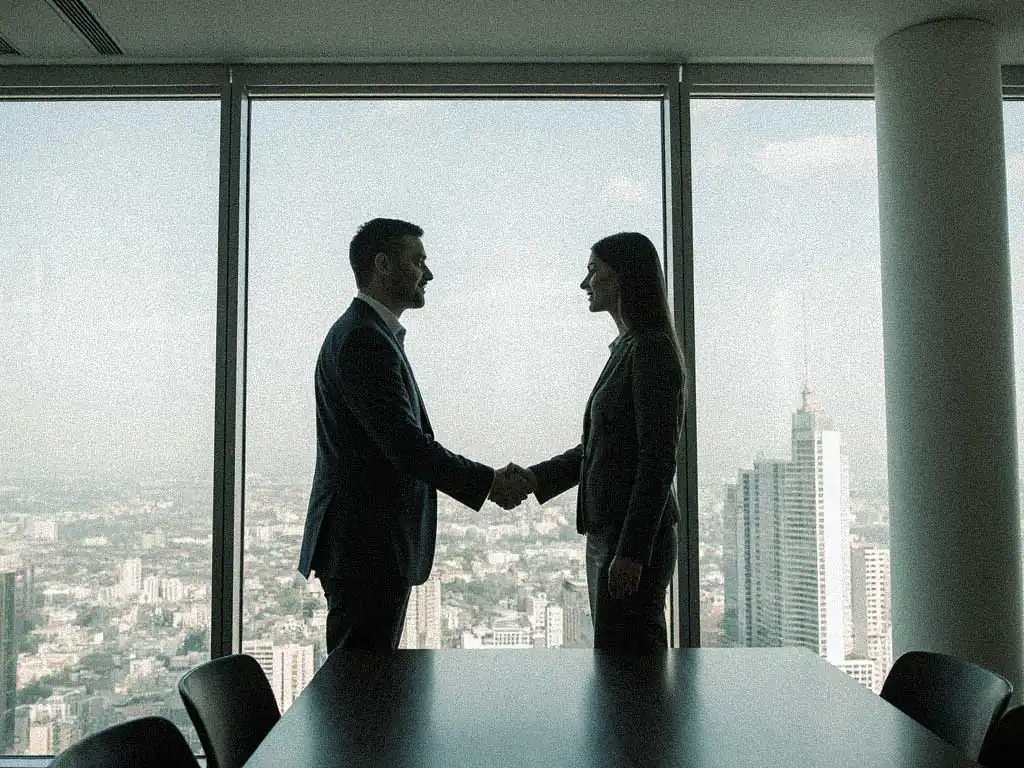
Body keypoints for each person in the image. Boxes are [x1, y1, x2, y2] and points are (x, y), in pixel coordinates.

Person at [297, 218, 533, 652]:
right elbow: (406, 447)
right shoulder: (365, 340)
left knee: (365, 683)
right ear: (383, 265)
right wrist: (490, 483)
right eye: (418, 261)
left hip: (365, 545)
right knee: (361, 687)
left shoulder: (367, 333)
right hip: (367, 547)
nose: (429, 273)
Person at [523, 232, 686, 651]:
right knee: (622, 661)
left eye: (593, 271)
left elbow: (657, 461)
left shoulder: (650, 351)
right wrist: (532, 479)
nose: (584, 283)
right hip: (613, 537)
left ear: (623, 278)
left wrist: (631, 552)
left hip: (628, 541)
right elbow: (599, 450)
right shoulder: (630, 348)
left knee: (631, 666)